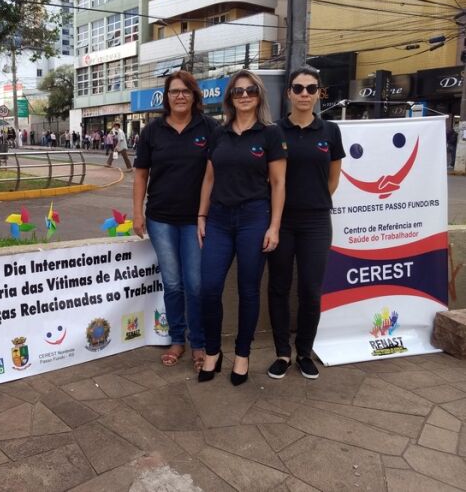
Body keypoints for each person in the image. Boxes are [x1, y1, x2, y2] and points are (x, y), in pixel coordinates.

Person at [197, 69, 286, 386]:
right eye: (238, 91)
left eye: (250, 90)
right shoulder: (218, 133)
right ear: (230, 98)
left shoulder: (270, 134)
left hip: (253, 218)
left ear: (259, 95)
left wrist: (274, 226)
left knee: (249, 291)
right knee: (208, 288)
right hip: (219, 220)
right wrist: (201, 216)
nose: (244, 95)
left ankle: (242, 354)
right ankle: (212, 352)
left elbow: (278, 183)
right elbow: (209, 178)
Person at [133, 71, 219, 370]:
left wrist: (208, 214)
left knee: (195, 285)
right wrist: (137, 212)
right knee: (172, 284)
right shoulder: (152, 131)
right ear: (165, 97)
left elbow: (217, 173)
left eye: (185, 91)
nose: (179, 96)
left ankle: (199, 343)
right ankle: (177, 340)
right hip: (160, 219)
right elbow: (141, 173)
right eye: (173, 92)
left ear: (195, 96)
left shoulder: (209, 128)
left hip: (196, 221)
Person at [266, 65, 345, 380]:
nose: (304, 94)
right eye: (298, 88)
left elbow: (333, 179)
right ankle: (282, 353)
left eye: (311, 89)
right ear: (288, 93)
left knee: (311, 290)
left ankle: (304, 352)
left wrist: (313, 201)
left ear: (318, 94)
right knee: (278, 288)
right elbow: (270, 180)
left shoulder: (330, 132)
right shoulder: (274, 131)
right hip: (281, 222)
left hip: (315, 222)